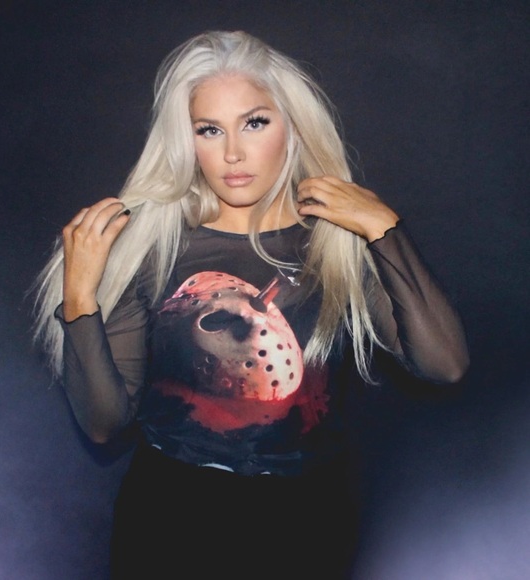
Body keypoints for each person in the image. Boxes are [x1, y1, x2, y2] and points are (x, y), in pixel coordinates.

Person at [31, 30, 469, 578]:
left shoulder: (337, 243)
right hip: (169, 526)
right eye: (209, 130)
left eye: (254, 123)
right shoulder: (149, 247)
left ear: (292, 126)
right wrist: (78, 297)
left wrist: (385, 230)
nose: (233, 153)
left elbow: (445, 365)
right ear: (185, 139)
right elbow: (103, 424)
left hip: (309, 528)